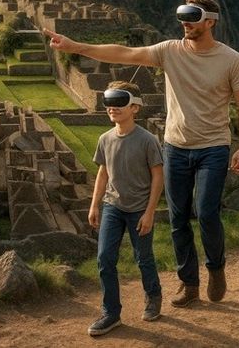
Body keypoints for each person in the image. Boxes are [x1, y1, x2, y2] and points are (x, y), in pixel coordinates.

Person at [43, 0, 239, 308]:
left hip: (213, 146)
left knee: (207, 212)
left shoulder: (231, 60)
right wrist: (77, 47)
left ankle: (216, 267)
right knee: (179, 218)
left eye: (192, 16)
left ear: (210, 21)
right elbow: (125, 53)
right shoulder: (169, 51)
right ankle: (189, 284)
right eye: (181, 15)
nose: (184, 21)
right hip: (176, 146)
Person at [86, 81, 165, 336]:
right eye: (108, 102)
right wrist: (94, 205)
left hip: (139, 209)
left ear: (134, 107)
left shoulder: (147, 140)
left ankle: (153, 296)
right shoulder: (105, 139)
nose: (112, 108)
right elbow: (103, 172)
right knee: (104, 259)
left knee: (143, 258)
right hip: (113, 206)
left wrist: (150, 212)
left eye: (119, 102)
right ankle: (111, 313)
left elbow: (158, 177)